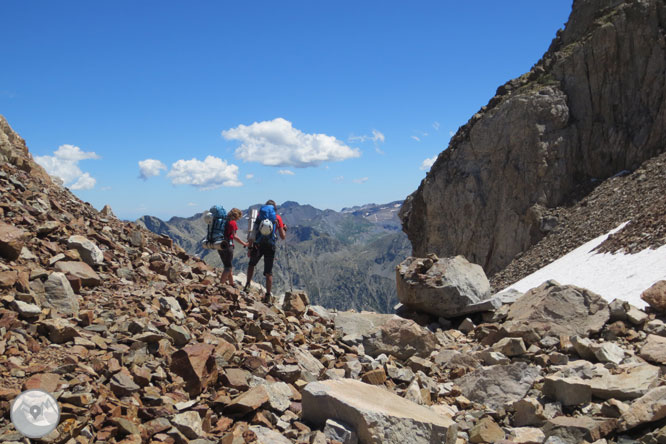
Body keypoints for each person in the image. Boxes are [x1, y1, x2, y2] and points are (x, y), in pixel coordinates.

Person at [244, 200, 287, 302]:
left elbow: (252, 234)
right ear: (274, 208)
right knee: (269, 272)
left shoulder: (259, 216)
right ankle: (267, 295)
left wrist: (250, 248)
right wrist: (284, 229)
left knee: (251, 264)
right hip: (270, 246)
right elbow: (282, 236)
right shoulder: (277, 218)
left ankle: (247, 285)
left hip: (258, 245)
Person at [219, 208, 248, 288]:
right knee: (227, 268)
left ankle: (231, 283)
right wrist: (244, 243)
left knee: (228, 265)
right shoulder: (233, 223)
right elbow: (235, 236)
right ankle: (220, 285)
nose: (239, 219)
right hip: (228, 246)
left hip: (220, 245)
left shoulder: (224, 221)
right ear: (236, 216)